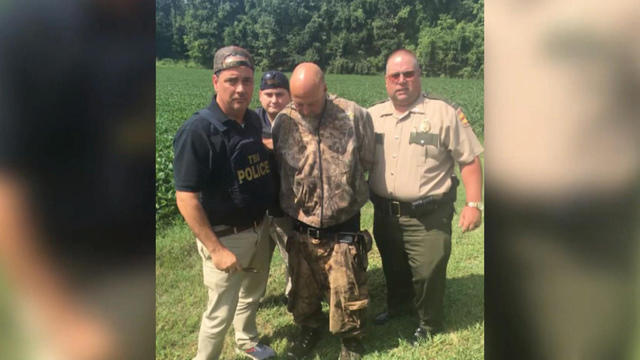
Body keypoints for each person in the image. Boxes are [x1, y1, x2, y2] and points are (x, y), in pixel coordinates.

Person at [368, 49, 484, 344]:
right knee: (394, 267)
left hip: (428, 216)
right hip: (385, 214)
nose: (402, 81)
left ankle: (429, 323)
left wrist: (473, 204)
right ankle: (398, 307)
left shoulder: (443, 113)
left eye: (409, 74)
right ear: (386, 81)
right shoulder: (372, 116)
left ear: (419, 76)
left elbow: (469, 160)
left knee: (428, 271)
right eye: (395, 75)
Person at [173, 46, 276, 360]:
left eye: (247, 80)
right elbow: (186, 197)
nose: (241, 88)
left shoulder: (254, 122)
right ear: (215, 82)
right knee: (219, 313)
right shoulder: (197, 132)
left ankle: (246, 340)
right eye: (232, 80)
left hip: (260, 229)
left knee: (252, 294)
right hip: (226, 235)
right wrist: (216, 250)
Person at [272, 62, 375, 360]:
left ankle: (351, 341)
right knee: (303, 293)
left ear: (326, 89)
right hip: (301, 226)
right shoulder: (283, 121)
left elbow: (369, 160)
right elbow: (280, 169)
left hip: (343, 226)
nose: (303, 109)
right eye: (297, 102)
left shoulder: (355, 115)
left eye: (310, 102)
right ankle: (308, 331)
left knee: (347, 292)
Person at [256, 70, 293, 303]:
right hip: (258, 209)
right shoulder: (249, 121)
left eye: (279, 94)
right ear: (260, 96)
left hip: (288, 207)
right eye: (268, 94)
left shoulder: (298, 120)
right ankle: (253, 299)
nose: (274, 100)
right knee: (256, 260)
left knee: (292, 257)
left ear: (289, 96)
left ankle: (294, 296)